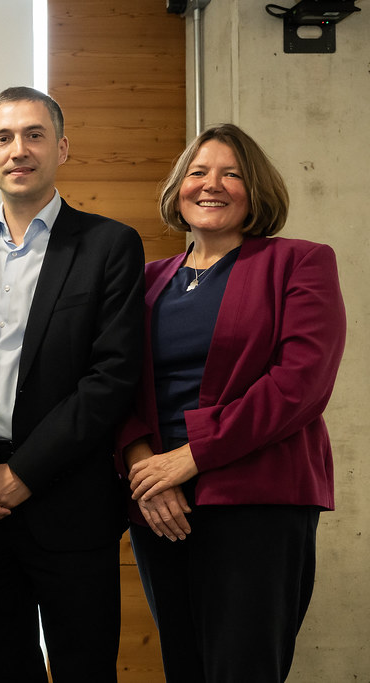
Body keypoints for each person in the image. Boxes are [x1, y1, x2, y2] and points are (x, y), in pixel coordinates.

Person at [119, 123, 345, 682]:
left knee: (244, 669)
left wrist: (192, 455)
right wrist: (146, 467)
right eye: (197, 172)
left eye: (231, 174)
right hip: (160, 502)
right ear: (178, 188)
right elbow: (114, 383)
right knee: (184, 667)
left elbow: (301, 384)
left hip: (258, 499)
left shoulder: (300, 262)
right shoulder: (145, 281)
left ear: (255, 189)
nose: (211, 184)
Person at [0, 86, 145, 682]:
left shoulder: (109, 245)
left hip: (69, 498)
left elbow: (112, 377)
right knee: (1, 669)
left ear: (61, 147)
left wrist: (25, 473)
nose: (20, 150)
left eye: (34, 135)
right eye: (4, 138)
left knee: (86, 669)